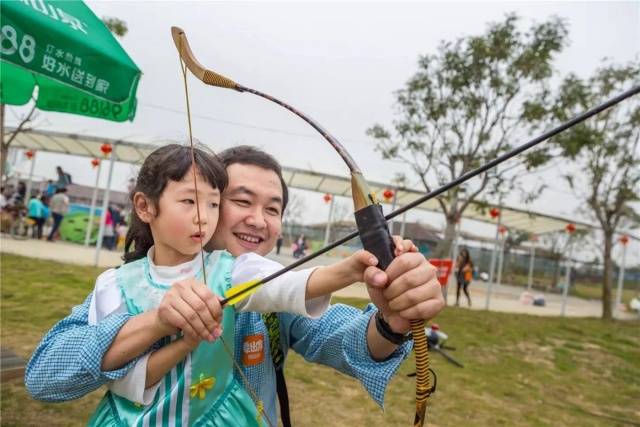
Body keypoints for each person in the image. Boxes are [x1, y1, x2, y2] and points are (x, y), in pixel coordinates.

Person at [25, 145, 444, 426]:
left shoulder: (267, 289)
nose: (259, 220)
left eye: (273, 209)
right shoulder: (127, 283)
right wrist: (156, 321)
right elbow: (46, 377)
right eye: (240, 202)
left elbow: (343, 339)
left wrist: (391, 320)